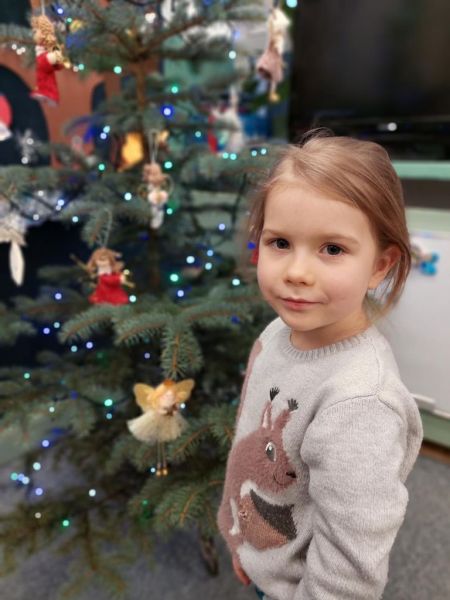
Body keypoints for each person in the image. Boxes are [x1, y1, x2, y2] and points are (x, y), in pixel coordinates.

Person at [217, 131, 424, 600]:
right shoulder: (274, 334)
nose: (296, 272)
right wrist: (240, 536)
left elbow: (349, 572)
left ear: (380, 266)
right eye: (280, 242)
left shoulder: (360, 404)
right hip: (263, 557)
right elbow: (251, 442)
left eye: (332, 249)